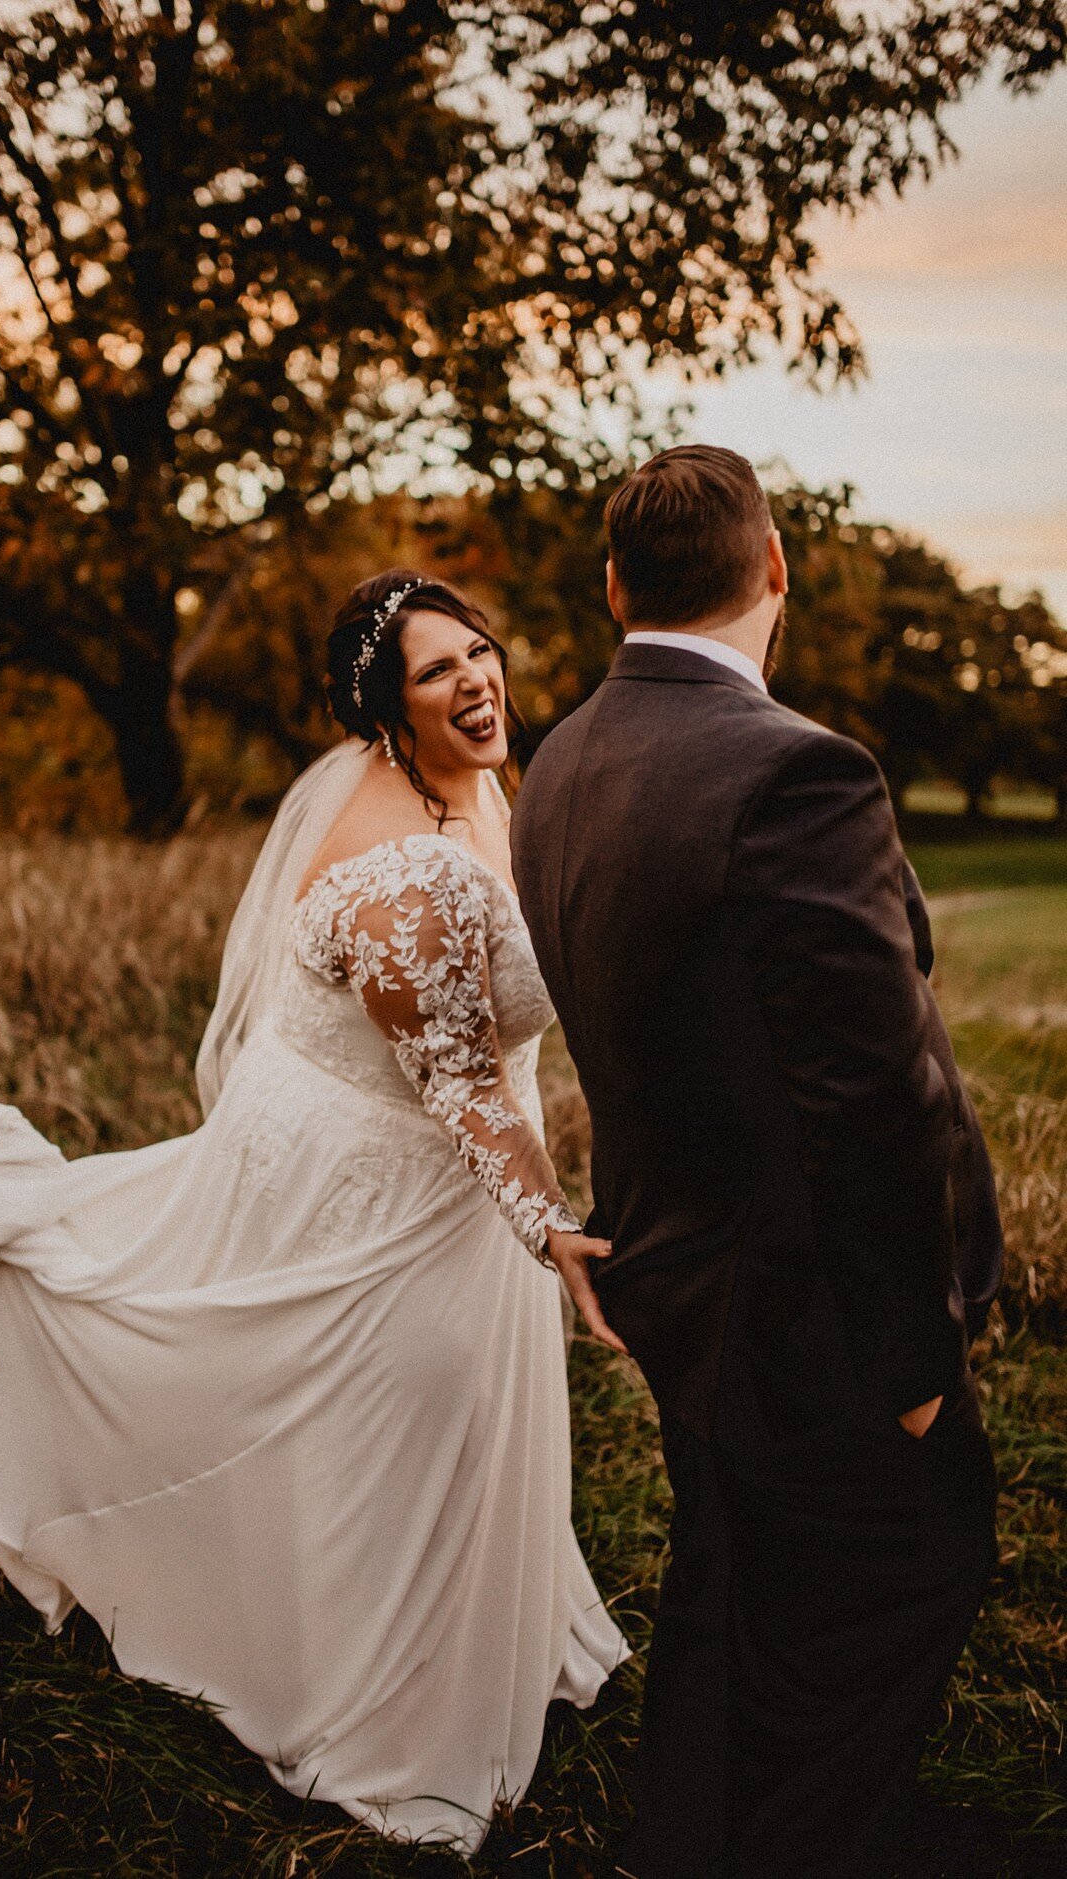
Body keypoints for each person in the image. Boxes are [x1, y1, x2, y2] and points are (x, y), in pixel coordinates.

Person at [0, 570, 628, 1855]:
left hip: (409, 1132)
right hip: (369, 1162)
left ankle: (479, 1610)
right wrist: (551, 1227)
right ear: (387, 710)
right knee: (347, 1402)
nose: (476, 680)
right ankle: (366, 1680)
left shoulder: (482, 790)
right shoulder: (402, 873)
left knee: (409, 1407)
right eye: (437, 671)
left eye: (481, 652)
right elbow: (459, 1087)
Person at [510, 446, 1003, 1878]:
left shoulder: (559, 764)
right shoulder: (799, 768)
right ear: (774, 568)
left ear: (615, 587)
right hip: (818, 1316)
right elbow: (876, 1096)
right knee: (902, 1583)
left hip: (678, 1282)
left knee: (740, 1585)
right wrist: (914, 1361)